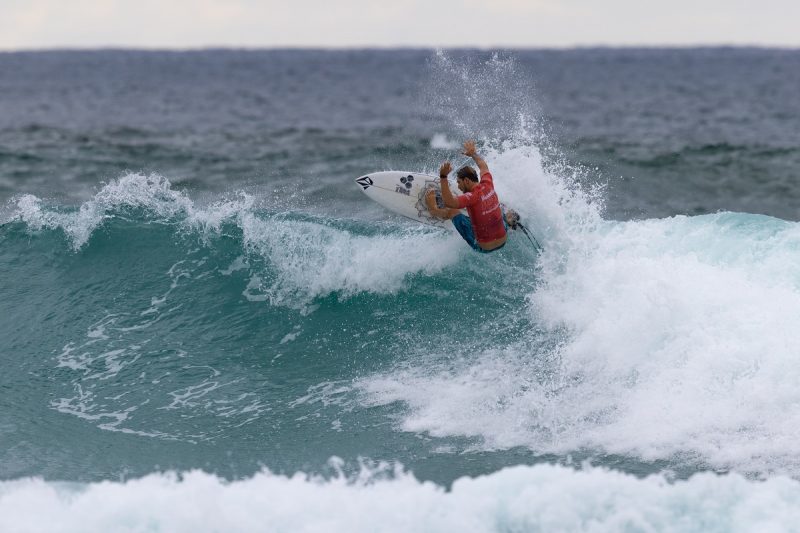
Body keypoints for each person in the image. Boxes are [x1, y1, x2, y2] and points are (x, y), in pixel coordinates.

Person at [425, 140, 517, 253]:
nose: (458, 186)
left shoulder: (471, 197)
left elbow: (449, 202)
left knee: (453, 211)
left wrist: (443, 177)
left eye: (459, 182)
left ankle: (434, 210)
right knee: (500, 206)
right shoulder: (488, 183)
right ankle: (509, 219)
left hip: (483, 247)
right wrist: (473, 154)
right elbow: (483, 166)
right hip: (503, 240)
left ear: (467, 181)